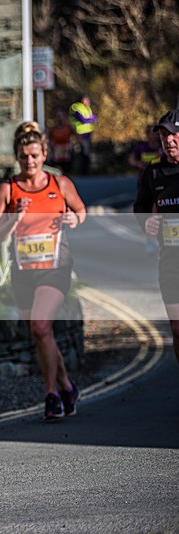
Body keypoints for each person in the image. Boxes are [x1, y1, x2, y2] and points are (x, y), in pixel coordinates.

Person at [0, 121, 87, 420]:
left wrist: (74, 220)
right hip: (23, 269)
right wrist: (14, 218)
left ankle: (51, 395)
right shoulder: (8, 189)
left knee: (41, 327)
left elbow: (81, 211)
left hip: (55, 267)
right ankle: (68, 387)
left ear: (44, 154)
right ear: (17, 157)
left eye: (34, 155)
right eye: (23, 156)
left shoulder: (61, 184)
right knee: (40, 333)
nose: (29, 161)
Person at [133, 108, 179, 364]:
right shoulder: (153, 173)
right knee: (177, 329)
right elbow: (140, 209)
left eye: (173, 135)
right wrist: (147, 223)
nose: (168, 141)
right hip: (171, 261)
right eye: (163, 136)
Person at [130, 126, 164, 254]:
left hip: (160, 183)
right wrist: (138, 164)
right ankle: (150, 241)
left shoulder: (162, 147)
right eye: (151, 134)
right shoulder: (142, 147)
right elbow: (132, 159)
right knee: (149, 212)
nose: (153, 136)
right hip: (144, 183)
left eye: (156, 134)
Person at [69, 95, 97, 175]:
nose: (87, 102)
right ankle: (81, 171)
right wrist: (89, 119)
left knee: (87, 153)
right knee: (82, 153)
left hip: (88, 135)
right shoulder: (76, 107)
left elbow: (94, 118)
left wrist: (90, 119)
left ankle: (86, 170)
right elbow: (83, 120)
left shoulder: (87, 108)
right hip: (80, 134)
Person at [47, 108, 74, 174]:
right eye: (58, 116)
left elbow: (78, 137)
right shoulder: (53, 129)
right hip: (57, 154)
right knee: (58, 171)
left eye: (61, 116)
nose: (60, 119)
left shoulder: (68, 127)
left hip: (66, 153)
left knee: (66, 171)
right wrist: (50, 146)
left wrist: (73, 145)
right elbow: (48, 140)